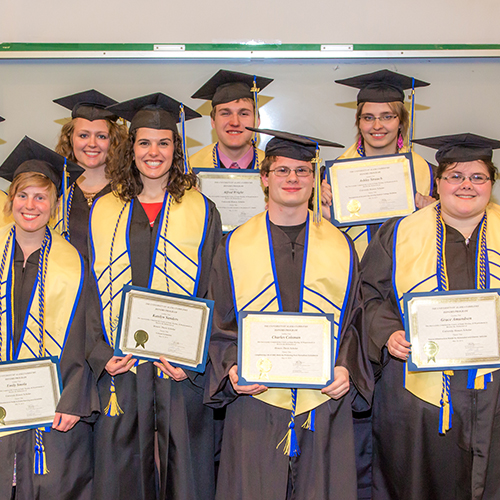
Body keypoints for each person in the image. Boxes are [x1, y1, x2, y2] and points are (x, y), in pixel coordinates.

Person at [205, 129, 373, 500]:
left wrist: (346, 368)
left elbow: (356, 322)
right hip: (256, 402)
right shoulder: (232, 246)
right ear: (264, 179)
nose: (292, 179)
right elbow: (219, 321)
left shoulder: (342, 246)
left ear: (314, 179)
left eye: (302, 171)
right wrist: (232, 369)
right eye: (282, 170)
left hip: (323, 402)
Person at [86, 93, 222, 500]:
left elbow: (218, 289)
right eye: (144, 142)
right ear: (131, 149)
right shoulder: (104, 208)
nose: (154, 152)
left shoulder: (201, 208)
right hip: (122, 368)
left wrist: (195, 361)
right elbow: (87, 293)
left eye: (164, 143)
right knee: (122, 467)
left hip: (177, 369)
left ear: (176, 150)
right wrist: (99, 353)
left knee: (186, 471)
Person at [362, 133, 500, 499]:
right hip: (418, 395)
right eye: (455, 176)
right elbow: (369, 296)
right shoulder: (400, 232)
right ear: (438, 183)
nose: (466, 185)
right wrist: (388, 334)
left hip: (495, 391)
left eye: (478, 177)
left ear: (491, 183)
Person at [0, 137, 98, 500]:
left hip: (54, 410)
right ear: (11, 202)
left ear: (55, 206)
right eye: (23, 195)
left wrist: (73, 400)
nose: (31, 205)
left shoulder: (73, 264)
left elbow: (86, 337)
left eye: (41, 197)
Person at [323, 69, 435, 257]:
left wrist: (435, 212)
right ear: (359, 122)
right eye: (368, 117)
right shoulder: (330, 177)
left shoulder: (431, 175)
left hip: (407, 270)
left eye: (387, 116)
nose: (377, 126)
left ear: (401, 121)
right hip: (354, 271)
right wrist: (322, 214)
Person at [53, 89, 127, 260]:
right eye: (84, 135)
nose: (92, 144)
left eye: (101, 136)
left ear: (114, 141)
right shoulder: (56, 190)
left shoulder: (129, 191)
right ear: (70, 139)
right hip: (66, 284)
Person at [190, 69, 273, 169]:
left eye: (243, 114)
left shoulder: (274, 169)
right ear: (213, 121)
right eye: (225, 113)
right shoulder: (190, 168)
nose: (235, 122)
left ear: (257, 121)